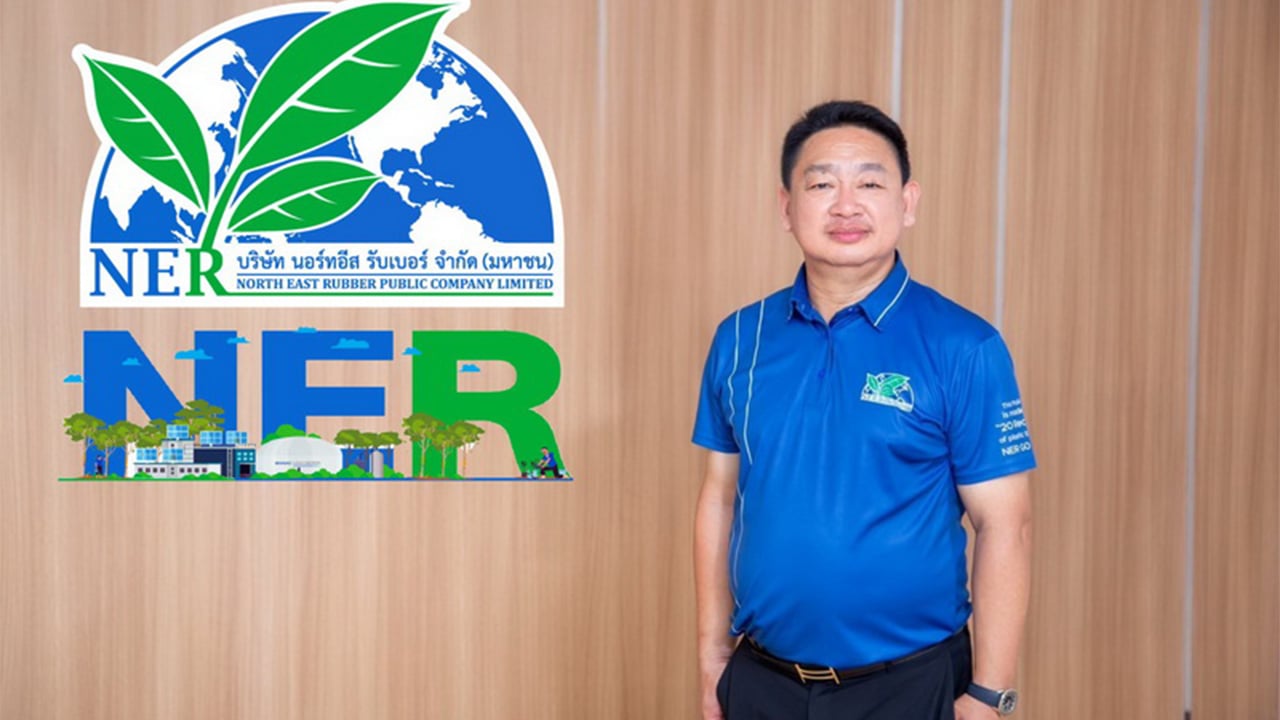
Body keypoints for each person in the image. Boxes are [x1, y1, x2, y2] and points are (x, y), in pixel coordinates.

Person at [692, 101, 1035, 720]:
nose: (846, 206)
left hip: (910, 685)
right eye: (822, 184)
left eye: (870, 184)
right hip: (762, 682)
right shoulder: (739, 338)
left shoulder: (964, 346)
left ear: (907, 202)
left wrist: (989, 695)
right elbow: (719, 499)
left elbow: (1005, 525)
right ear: (786, 207)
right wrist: (712, 658)